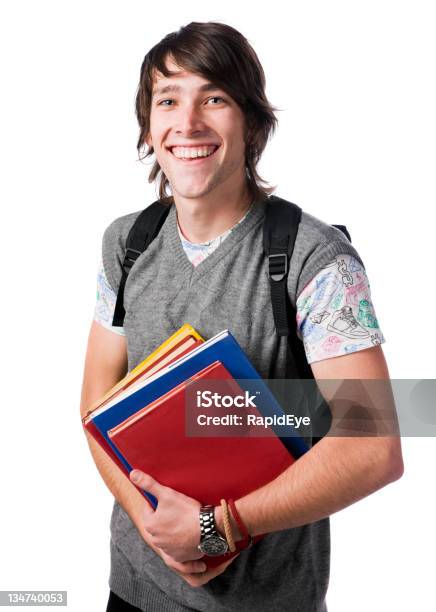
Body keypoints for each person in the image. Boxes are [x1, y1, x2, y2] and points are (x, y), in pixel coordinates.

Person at [80, 21, 404, 612]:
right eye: (168, 99)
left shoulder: (315, 260)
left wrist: (216, 529)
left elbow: (373, 447)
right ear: (148, 127)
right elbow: (95, 404)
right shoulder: (125, 244)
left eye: (215, 98)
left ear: (252, 123)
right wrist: (158, 530)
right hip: (134, 591)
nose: (189, 122)